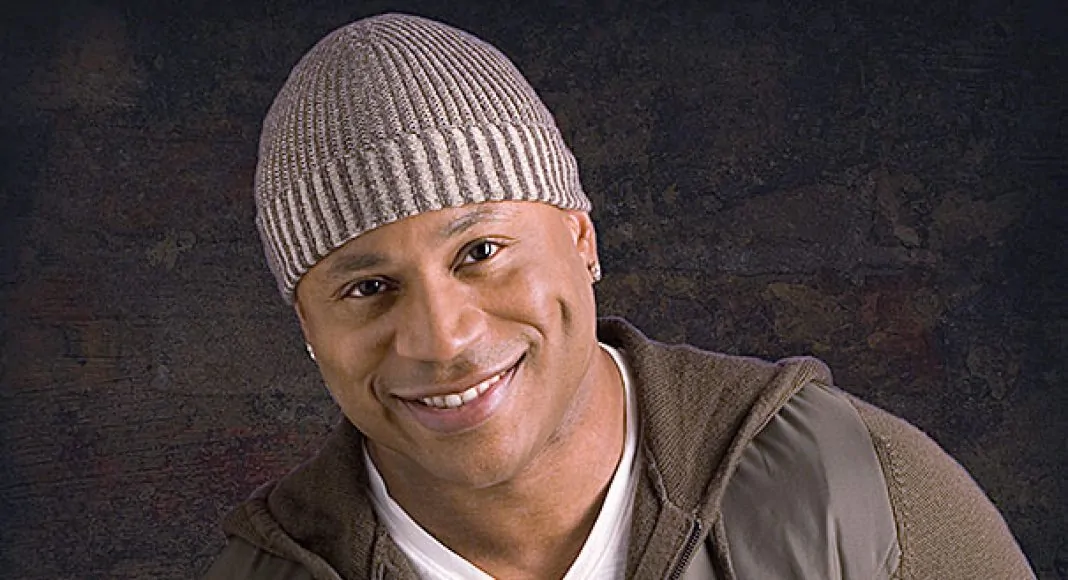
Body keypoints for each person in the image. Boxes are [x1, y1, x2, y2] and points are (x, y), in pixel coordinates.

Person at [204, 12, 1035, 580]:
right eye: (368, 287)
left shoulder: (852, 491)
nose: (442, 337)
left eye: (481, 252)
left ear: (581, 240)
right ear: (308, 328)